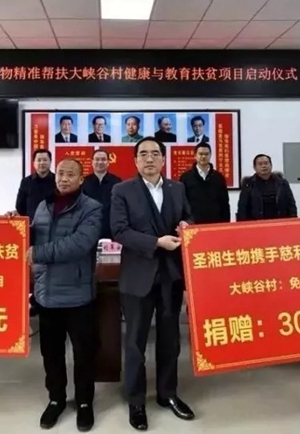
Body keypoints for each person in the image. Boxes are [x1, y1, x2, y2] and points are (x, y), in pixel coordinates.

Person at [110, 137, 194, 431]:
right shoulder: (122, 190)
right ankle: (135, 400)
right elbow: (119, 230)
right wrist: (156, 242)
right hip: (138, 275)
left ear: (163, 159)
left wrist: (186, 225)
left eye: (155, 154)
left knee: (170, 340)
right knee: (135, 341)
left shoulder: (176, 188)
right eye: (143, 154)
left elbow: (187, 216)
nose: (149, 158)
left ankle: (167, 393)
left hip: (171, 276)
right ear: (135, 161)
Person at [29, 158, 102, 431]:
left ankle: (84, 403)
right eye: (60, 173)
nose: (63, 178)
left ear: (81, 179)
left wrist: (38, 253)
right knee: (51, 354)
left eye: (70, 174)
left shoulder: (92, 208)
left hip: (78, 294)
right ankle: (56, 399)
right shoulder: (43, 205)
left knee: (84, 354)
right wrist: (14, 227)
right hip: (46, 293)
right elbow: (34, 236)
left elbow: (79, 244)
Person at [179, 142, 230, 224]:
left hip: (215, 223)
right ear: (195, 156)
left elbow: (224, 203)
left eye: (206, 154)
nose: (203, 157)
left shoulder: (218, 178)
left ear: (210, 155)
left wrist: (225, 224)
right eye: (200, 154)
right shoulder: (185, 178)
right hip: (193, 224)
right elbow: (182, 203)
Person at [236, 154, 297, 221]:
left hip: (280, 222)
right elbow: (242, 208)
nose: (264, 166)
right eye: (260, 164)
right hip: (257, 223)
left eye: (266, 163)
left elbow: (291, 205)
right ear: (254, 168)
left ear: (271, 165)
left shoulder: (282, 183)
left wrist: (293, 221)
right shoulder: (248, 184)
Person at [82, 150, 122, 239]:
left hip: (111, 227)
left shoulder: (117, 182)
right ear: (92, 162)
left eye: (103, 159)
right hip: (89, 226)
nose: (100, 162)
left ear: (108, 162)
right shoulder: (84, 182)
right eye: (97, 159)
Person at [13, 149, 56, 222]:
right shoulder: (26, 182)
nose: (42, 163)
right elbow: (20, 206)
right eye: (39, 160)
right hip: (32, 224)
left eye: (45, 160)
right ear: (34, 163)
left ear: (50, 161)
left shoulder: (57, 181)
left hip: (53, 223)